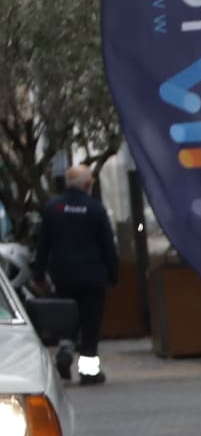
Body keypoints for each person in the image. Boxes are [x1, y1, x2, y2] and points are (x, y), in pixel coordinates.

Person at [33, 163, 120, 386]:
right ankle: (89, 372)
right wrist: (114, 275)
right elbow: (108, 246)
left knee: (66, 319)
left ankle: (64, 352)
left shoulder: (53, 208)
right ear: (88, 184)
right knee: (90, 324)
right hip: (92, 277)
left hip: (63, 276)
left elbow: (43, 245)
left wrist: (39, 275)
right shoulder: (95, 209)